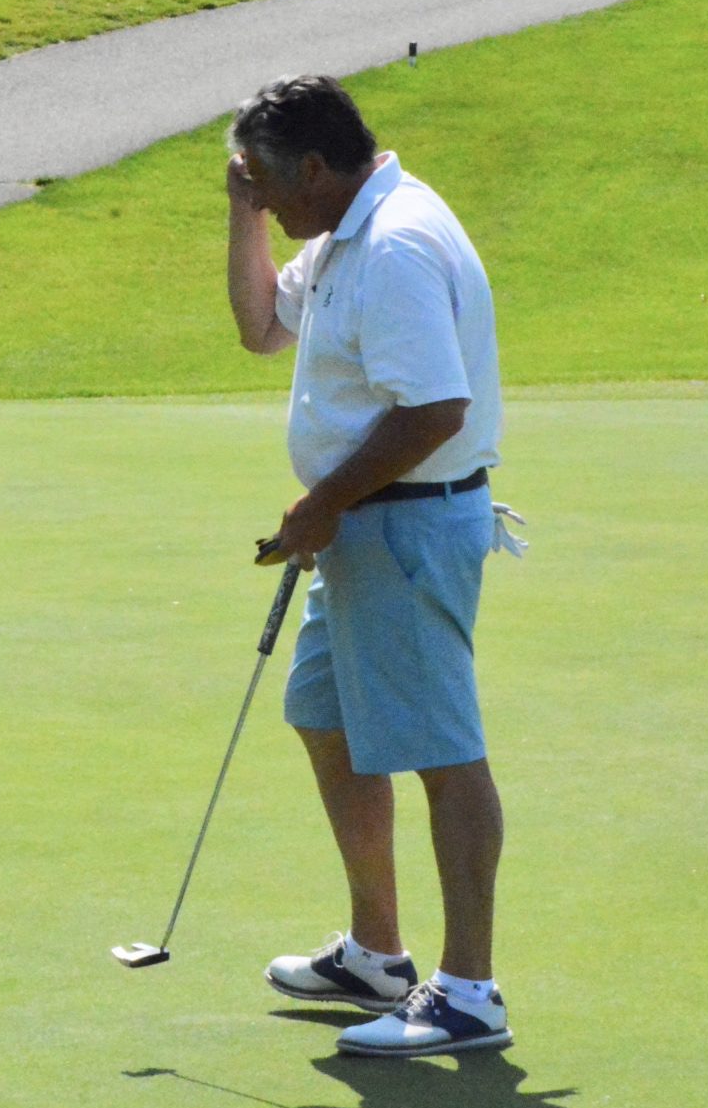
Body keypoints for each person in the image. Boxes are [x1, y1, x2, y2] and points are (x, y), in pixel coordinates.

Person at [223, 75, 520, 1057]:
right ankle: (377, 955)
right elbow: (260, 327)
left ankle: (468, 992)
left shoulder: (393, 245)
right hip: (363, 527)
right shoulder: (341, 232)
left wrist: (321, 504)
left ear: (315, 166)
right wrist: (242, 212)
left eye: (269, 184)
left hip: (405, 526)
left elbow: (435, 410)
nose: (265, 202)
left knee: (443, 751)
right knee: (324, 716)